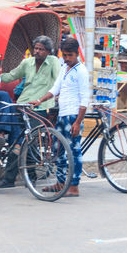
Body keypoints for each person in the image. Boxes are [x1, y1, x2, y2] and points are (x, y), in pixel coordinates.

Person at [0, 35, 60, 187]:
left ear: (48, 51)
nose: (37, 52)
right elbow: (11, 76)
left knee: (28, 142)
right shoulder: (27, 62)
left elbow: (58, 82)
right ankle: (18, 178)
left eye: (41, 49)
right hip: (22, 105)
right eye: (35, 48)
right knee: (17, 140)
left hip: (40, 107)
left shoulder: (53, 62)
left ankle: (22, 177)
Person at [30, 37, 89, 197]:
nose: (67, 58)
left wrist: (78, 122)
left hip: (73, 116)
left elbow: (85, 99)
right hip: (62, 115)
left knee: (74, 151)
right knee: (58, 150)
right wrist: (40, 100)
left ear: (77, 54)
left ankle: (74, 186)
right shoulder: (64, 68)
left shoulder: (81, 71)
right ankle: (60, 182)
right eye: (65, 55)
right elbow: (56, 88)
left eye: (70, 55)